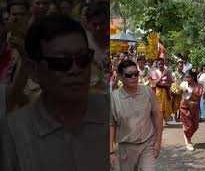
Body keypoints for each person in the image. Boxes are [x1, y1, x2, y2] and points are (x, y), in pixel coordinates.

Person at [0, 15, 108, 171]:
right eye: (61, 62)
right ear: (34, 70)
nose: (75, 70)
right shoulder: (12, 134)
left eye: (83, 59)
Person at [110, 60, 163, 171]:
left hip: (148, 144)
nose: (133, 77)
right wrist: (110, 152)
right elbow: (111, 125)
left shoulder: (147, 92)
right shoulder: (113, 98)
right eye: (129, 75)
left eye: (136, 74)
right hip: (126, 148)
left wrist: (158, 141)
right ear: (120, 76)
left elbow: (157, 116)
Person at [179, 69, 203, 151]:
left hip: (195, 108)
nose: (186, 79)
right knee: (189, 126)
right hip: (185, 107)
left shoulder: (199, 86)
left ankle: (187, 135)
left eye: (188, 77)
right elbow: (177, 89)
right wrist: (181, 89)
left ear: (193, 77)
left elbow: (201, 96)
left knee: (195, 126)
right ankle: (189, 142)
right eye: (186, 77)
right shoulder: (183, 84)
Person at [151, 58, 173, 122]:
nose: (161, 65)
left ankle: (164, 118)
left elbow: (170, 82)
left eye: (162, 63)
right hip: (159, 90)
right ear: (157, 65)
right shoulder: (154, 72)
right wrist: (162, 76)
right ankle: (160, 119)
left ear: (164, 64)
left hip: (166, 90)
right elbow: (155, 83)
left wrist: (168, 76)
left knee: (166, 106)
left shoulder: (168, 71)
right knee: (159, 106)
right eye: (159, 64)